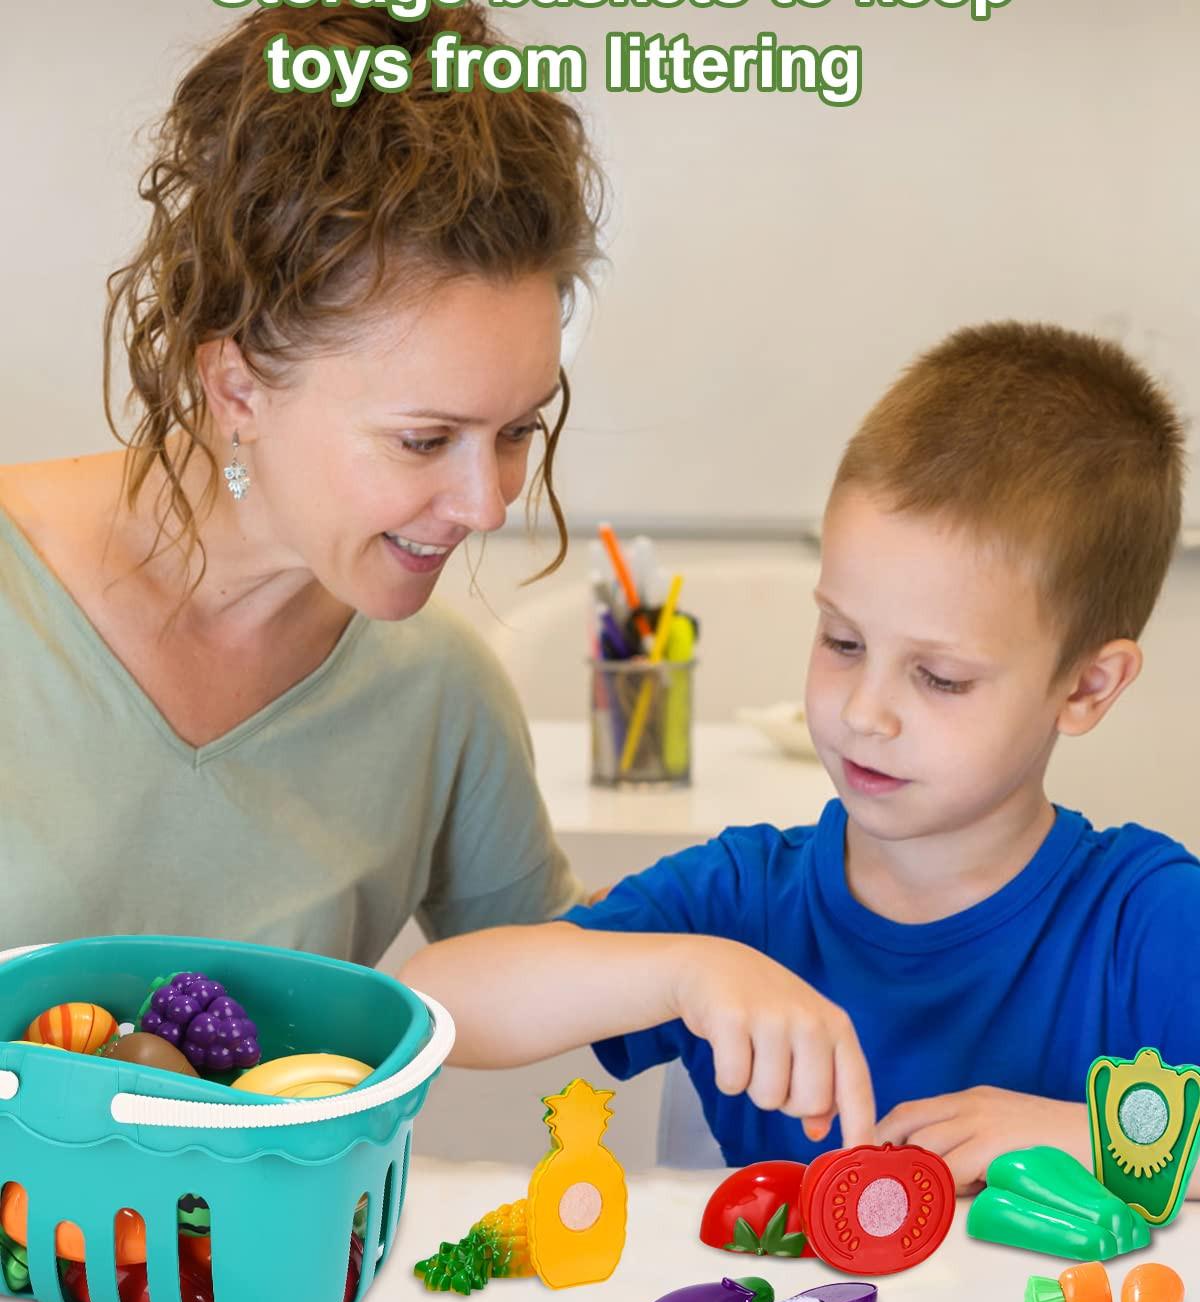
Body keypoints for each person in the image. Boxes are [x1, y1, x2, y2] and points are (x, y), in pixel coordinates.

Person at [402, 320, 1200, 1189]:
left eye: (938, 678)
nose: (865, 712)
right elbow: (437, 1004)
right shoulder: (742, 902)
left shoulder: (1147, 921)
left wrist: (1097, 1140)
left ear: (1086, 687)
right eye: (843, 641)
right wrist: (685, 971)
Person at [0, 0, 604, 959]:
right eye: (422, 440)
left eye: (517, 431)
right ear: (237, 386)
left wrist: (807, 901)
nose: (486, 504)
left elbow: (551, 965)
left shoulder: (439, 691)